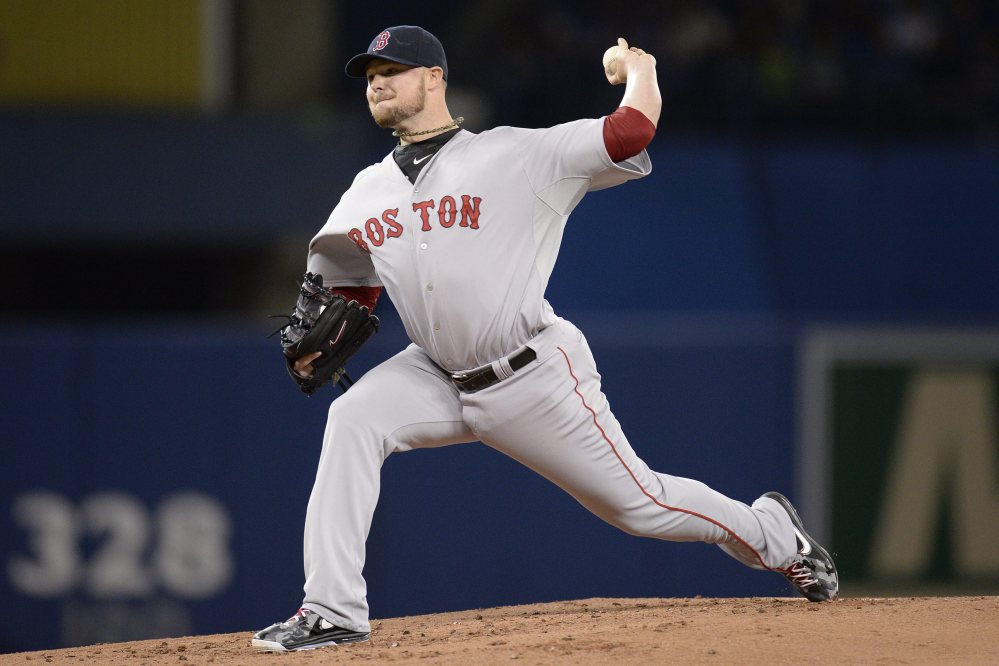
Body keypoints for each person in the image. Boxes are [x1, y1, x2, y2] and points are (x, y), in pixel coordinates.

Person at [251, 25, 838, 653]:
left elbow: (630, 132)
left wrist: (639, 69)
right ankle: (333, 610)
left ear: (434, 78)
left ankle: (773, 531)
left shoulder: (515, 155)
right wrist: (327, 332)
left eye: (392, 70)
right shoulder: (368, 189)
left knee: (642, 505)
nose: (378, 83)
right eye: (370, 76)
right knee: (353, 419)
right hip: (434, 372)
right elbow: (348, 281)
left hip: (529, 373)